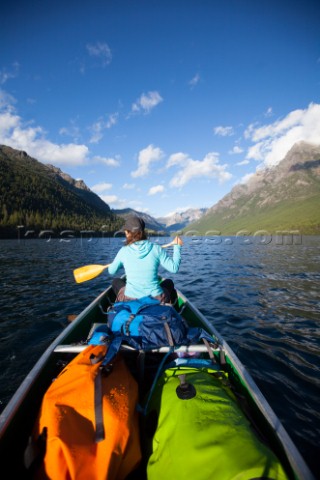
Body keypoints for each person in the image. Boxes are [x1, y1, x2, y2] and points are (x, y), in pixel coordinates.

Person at [108, 215, 183, 303]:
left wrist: (115, 263)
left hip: (129, 298)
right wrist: (177, 246)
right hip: (157, 298)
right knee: (169, 282)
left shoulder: (124, 251)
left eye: (125, 231)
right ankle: (171, 308)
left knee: (115, 281)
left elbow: (111, 271)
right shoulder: (156, 248)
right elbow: (174, 268)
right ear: (142, 232)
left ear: (128, 232)